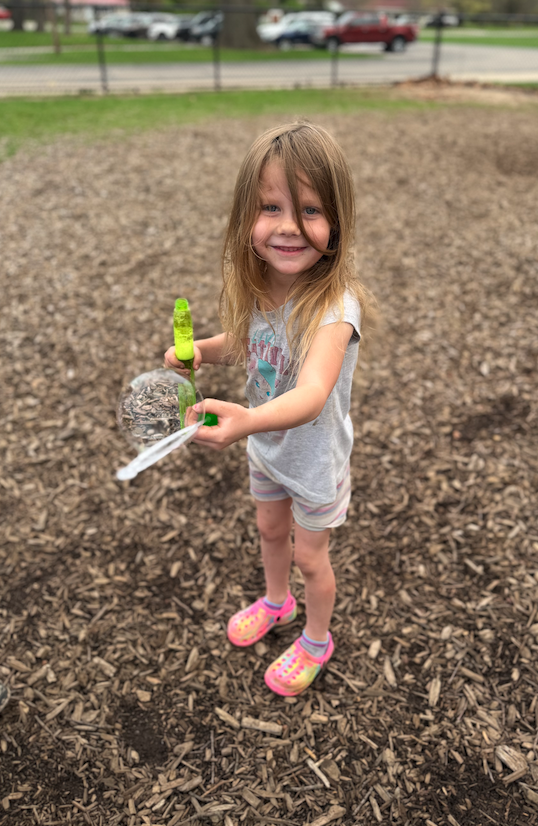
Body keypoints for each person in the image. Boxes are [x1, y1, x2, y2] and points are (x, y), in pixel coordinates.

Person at [164, 121, 370, 696]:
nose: (286, 227)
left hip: (311, 461)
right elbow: (250, 343)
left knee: (311, 556)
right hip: (268, 450)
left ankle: (316, 637)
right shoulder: (261, 289)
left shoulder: (335, 307)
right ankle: (277, 605)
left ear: (337, 221)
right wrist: (204, 352)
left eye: (308, 210)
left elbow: (310, 395)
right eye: (270, 207)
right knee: (267, 530)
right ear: (244, 219)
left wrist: (247, 420)